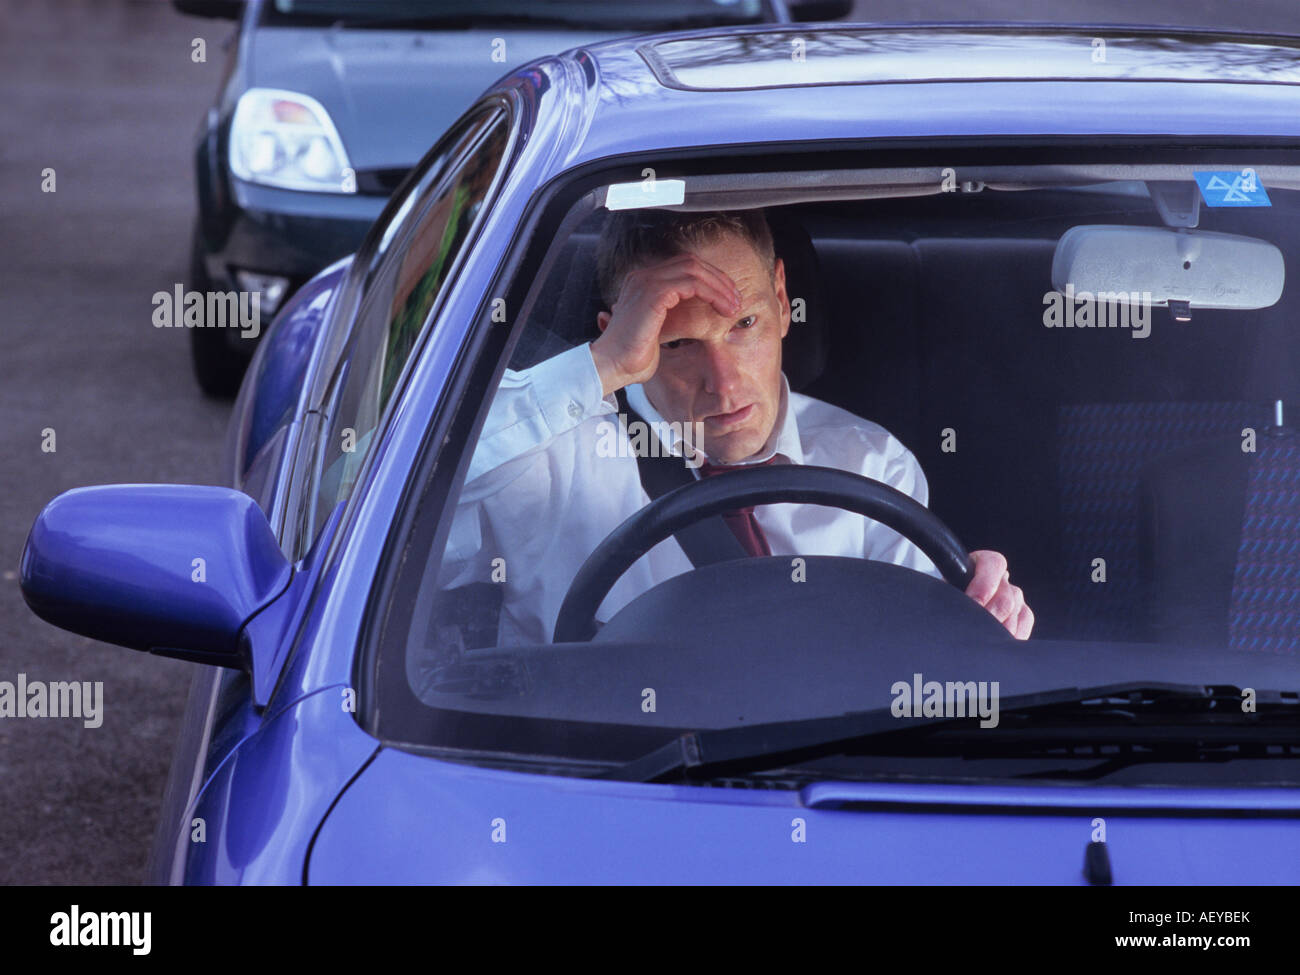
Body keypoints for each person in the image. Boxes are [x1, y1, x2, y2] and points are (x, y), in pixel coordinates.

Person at [435, 208, 1034, 647]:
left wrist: (974, 626)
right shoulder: (537, 462)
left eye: (743, 323)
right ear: (624, 336)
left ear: (780, 297)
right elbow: (379, 497)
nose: (722, 384)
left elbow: (911, 671)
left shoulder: (871, 464)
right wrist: (600, 367)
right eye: (678, 344)